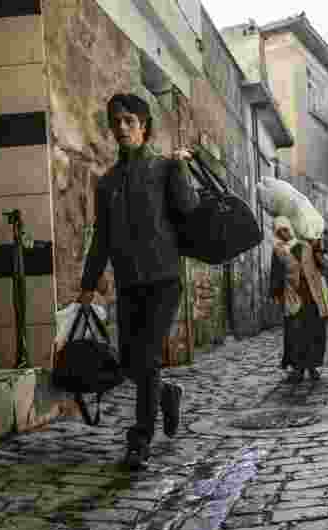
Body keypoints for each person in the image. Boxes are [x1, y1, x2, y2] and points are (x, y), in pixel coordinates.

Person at [78, 93, 199, 469]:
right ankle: (167, 393)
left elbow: (189, 208)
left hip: (163, 281)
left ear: (144, 126)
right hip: (130, 284)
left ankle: (139, 439)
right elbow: (101, 236)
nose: (121, 128)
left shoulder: (163, 168)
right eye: (116, 122)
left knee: (145, 357)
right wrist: (88, 283)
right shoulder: (108, 183)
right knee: (131, 364)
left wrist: (180, 169)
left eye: (129, 121)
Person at [270, 218, 328, 382]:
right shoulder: (278, 250)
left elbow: (322, 266)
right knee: (295, 334)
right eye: (280, 231)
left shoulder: (307, 245)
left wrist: (318, 249)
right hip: (293, 298)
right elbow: (276, 274)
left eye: (286, 229)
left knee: (315, 332)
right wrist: (277, 294)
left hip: (313, 297)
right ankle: (298, 368)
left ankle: (312, 366)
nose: (284, 233)